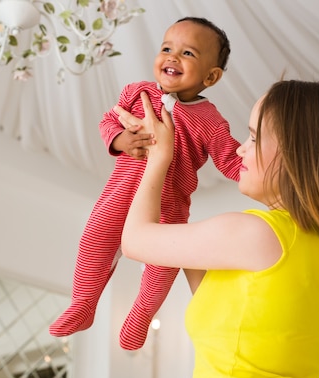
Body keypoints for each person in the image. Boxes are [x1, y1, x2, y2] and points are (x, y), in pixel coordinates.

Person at [117, 80, 319, 378]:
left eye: (253, 136)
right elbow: (226, 307)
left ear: (295, 149)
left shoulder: (256, 234)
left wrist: (159, 156)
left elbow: (134, 240)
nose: (239, 150)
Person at [50, 17, 242, 350]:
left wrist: (266, 169)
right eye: (167, 48)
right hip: (120, 193)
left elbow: (231, 161)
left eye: (187, 53)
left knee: (163, 265)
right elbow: (108, 120)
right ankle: (83, 303)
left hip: (170, 205)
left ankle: (141, 314)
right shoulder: (137, 92)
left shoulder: (210, 121)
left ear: (211, 76)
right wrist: (120, 139)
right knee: (94, 240)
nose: (172, 57)